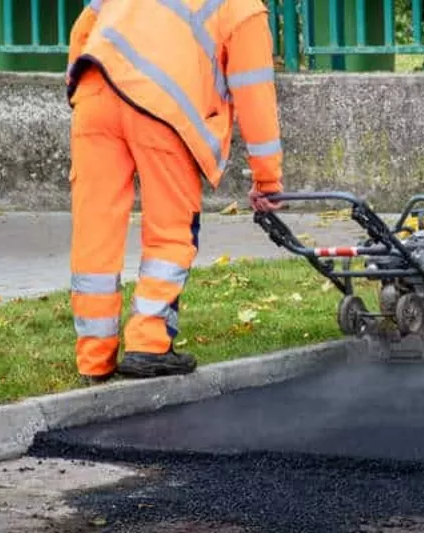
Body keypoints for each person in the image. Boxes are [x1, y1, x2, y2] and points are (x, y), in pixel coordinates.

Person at [65, 0, 284, 384]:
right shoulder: (244, 7)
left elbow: (83, 31)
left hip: (94, 93)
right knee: (170, 231)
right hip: (163, 109)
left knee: (94, 232)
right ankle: (149, 343)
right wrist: (267, 181)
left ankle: (94, 358)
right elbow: (255, 97)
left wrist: (82, 93)